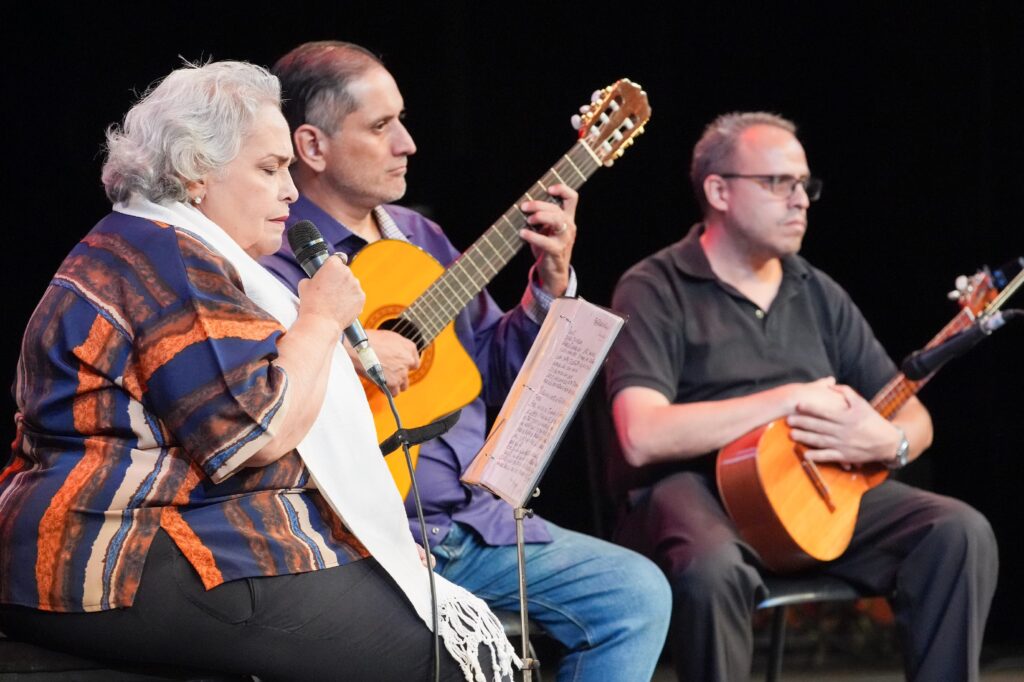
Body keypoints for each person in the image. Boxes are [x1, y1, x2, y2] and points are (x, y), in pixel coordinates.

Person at [0, 59, 519, 682]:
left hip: (162, 535)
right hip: (112, 553)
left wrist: (363, 535)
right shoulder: (171, 261)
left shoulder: (165, 244)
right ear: (196, 173)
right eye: (270, 169)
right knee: (455, 659)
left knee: (428, 616)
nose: (291, 191)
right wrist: (321, 317)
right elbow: (258, 434)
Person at [262, 41, 671, 681]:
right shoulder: (270, 257)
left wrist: (548, 284)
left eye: (401, 120)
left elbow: (495, 370)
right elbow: (257, 401)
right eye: (380, 126)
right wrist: (346, 360)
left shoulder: (420, 238)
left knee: (636, 592)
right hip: (362, 543)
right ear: (311, 146)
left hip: (476, 526)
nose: (407, 144)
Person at [605, 111, 999, 682]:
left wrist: (889, 443)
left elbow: (913, 416)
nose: (800, 201)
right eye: (777, 183)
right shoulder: (655, 286)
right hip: (697, 492)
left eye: (804, 185)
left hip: (807, 492)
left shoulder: (816, 291)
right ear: (718, 191)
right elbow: (641, 435)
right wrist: (787, 398)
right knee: (712, 569)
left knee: (957, 532)